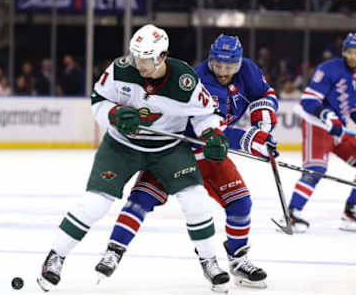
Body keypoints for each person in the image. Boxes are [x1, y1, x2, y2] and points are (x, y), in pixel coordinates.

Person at [37, 24, 231, 293]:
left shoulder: (184, 81)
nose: (139, 63)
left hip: (168, 148)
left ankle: (209, 260)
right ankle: (55, 256)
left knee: (196, 200)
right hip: (121, 146)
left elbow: (206, 114)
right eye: (136, 56)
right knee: (94, 204)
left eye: (146, 58)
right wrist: (114, 115)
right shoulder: (120, 69)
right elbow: (98, 102)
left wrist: (212, 135)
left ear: (162, 56)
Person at [94, 35, 279, 289]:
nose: (223, 72)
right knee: (141, 200)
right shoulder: (198, 79)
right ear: (210, 60)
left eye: (229, 67)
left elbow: (264, 94)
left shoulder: (249, 70)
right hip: (175, 150)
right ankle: (114, 250)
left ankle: (238, 259)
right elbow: (213, 126)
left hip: (211, 153)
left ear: (238, 63)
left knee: (240, 203)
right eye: (218, 65)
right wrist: (251, 139)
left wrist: (263, 124)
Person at [287, 32, 356, 233]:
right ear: (344, 51)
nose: (353, 56)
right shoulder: (328, 69)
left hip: (337, 128)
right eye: (349, 51)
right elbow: (309, 101)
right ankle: (291, 214)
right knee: (316, 169)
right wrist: (327, 116)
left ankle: (352, 212)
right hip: (316, 124)